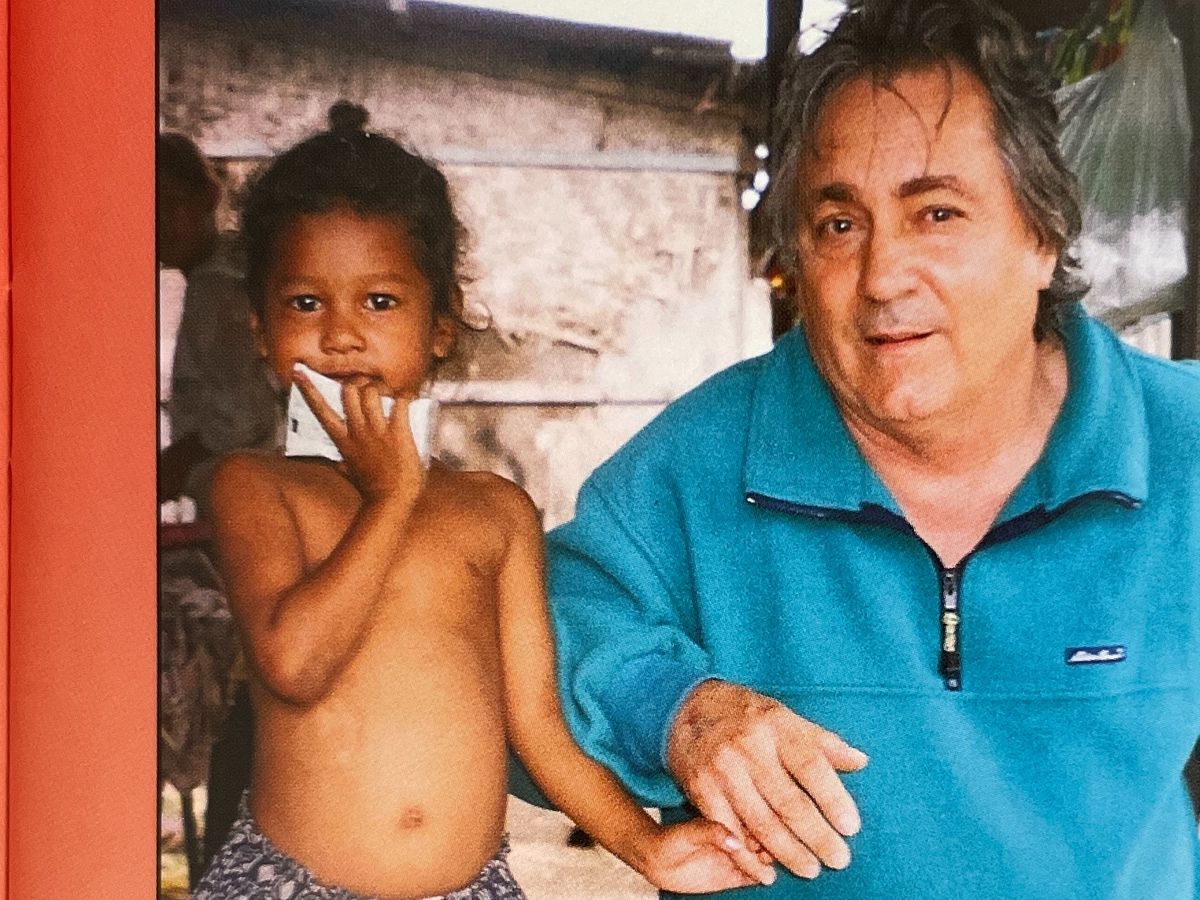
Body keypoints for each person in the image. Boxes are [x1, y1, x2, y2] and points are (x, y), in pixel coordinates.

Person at [546, 1, 1200, 897]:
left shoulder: (1182, 445)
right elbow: (526, 633)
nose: (883, 277)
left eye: (936, 212)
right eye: (840, 225)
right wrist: (675, 711)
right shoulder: (696, 464)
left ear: (1042, 235)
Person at [194, 102, 760, 899]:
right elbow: (294, 664)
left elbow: (539, 728)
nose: (342, 333)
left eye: (379, 301)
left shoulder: (494, 512)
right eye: (305, 303)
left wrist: (647, 847)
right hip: (288, 884)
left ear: (440, 326)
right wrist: (391, 500)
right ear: (260, 329)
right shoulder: (254, 487)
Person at [157, 133, 278, 511]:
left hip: (247, 492)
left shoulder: (216, 289)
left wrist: (175, 462)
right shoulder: (223, 269)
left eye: (171, 203)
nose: (159, 222)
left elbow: (242, 415)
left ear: (208, 197)